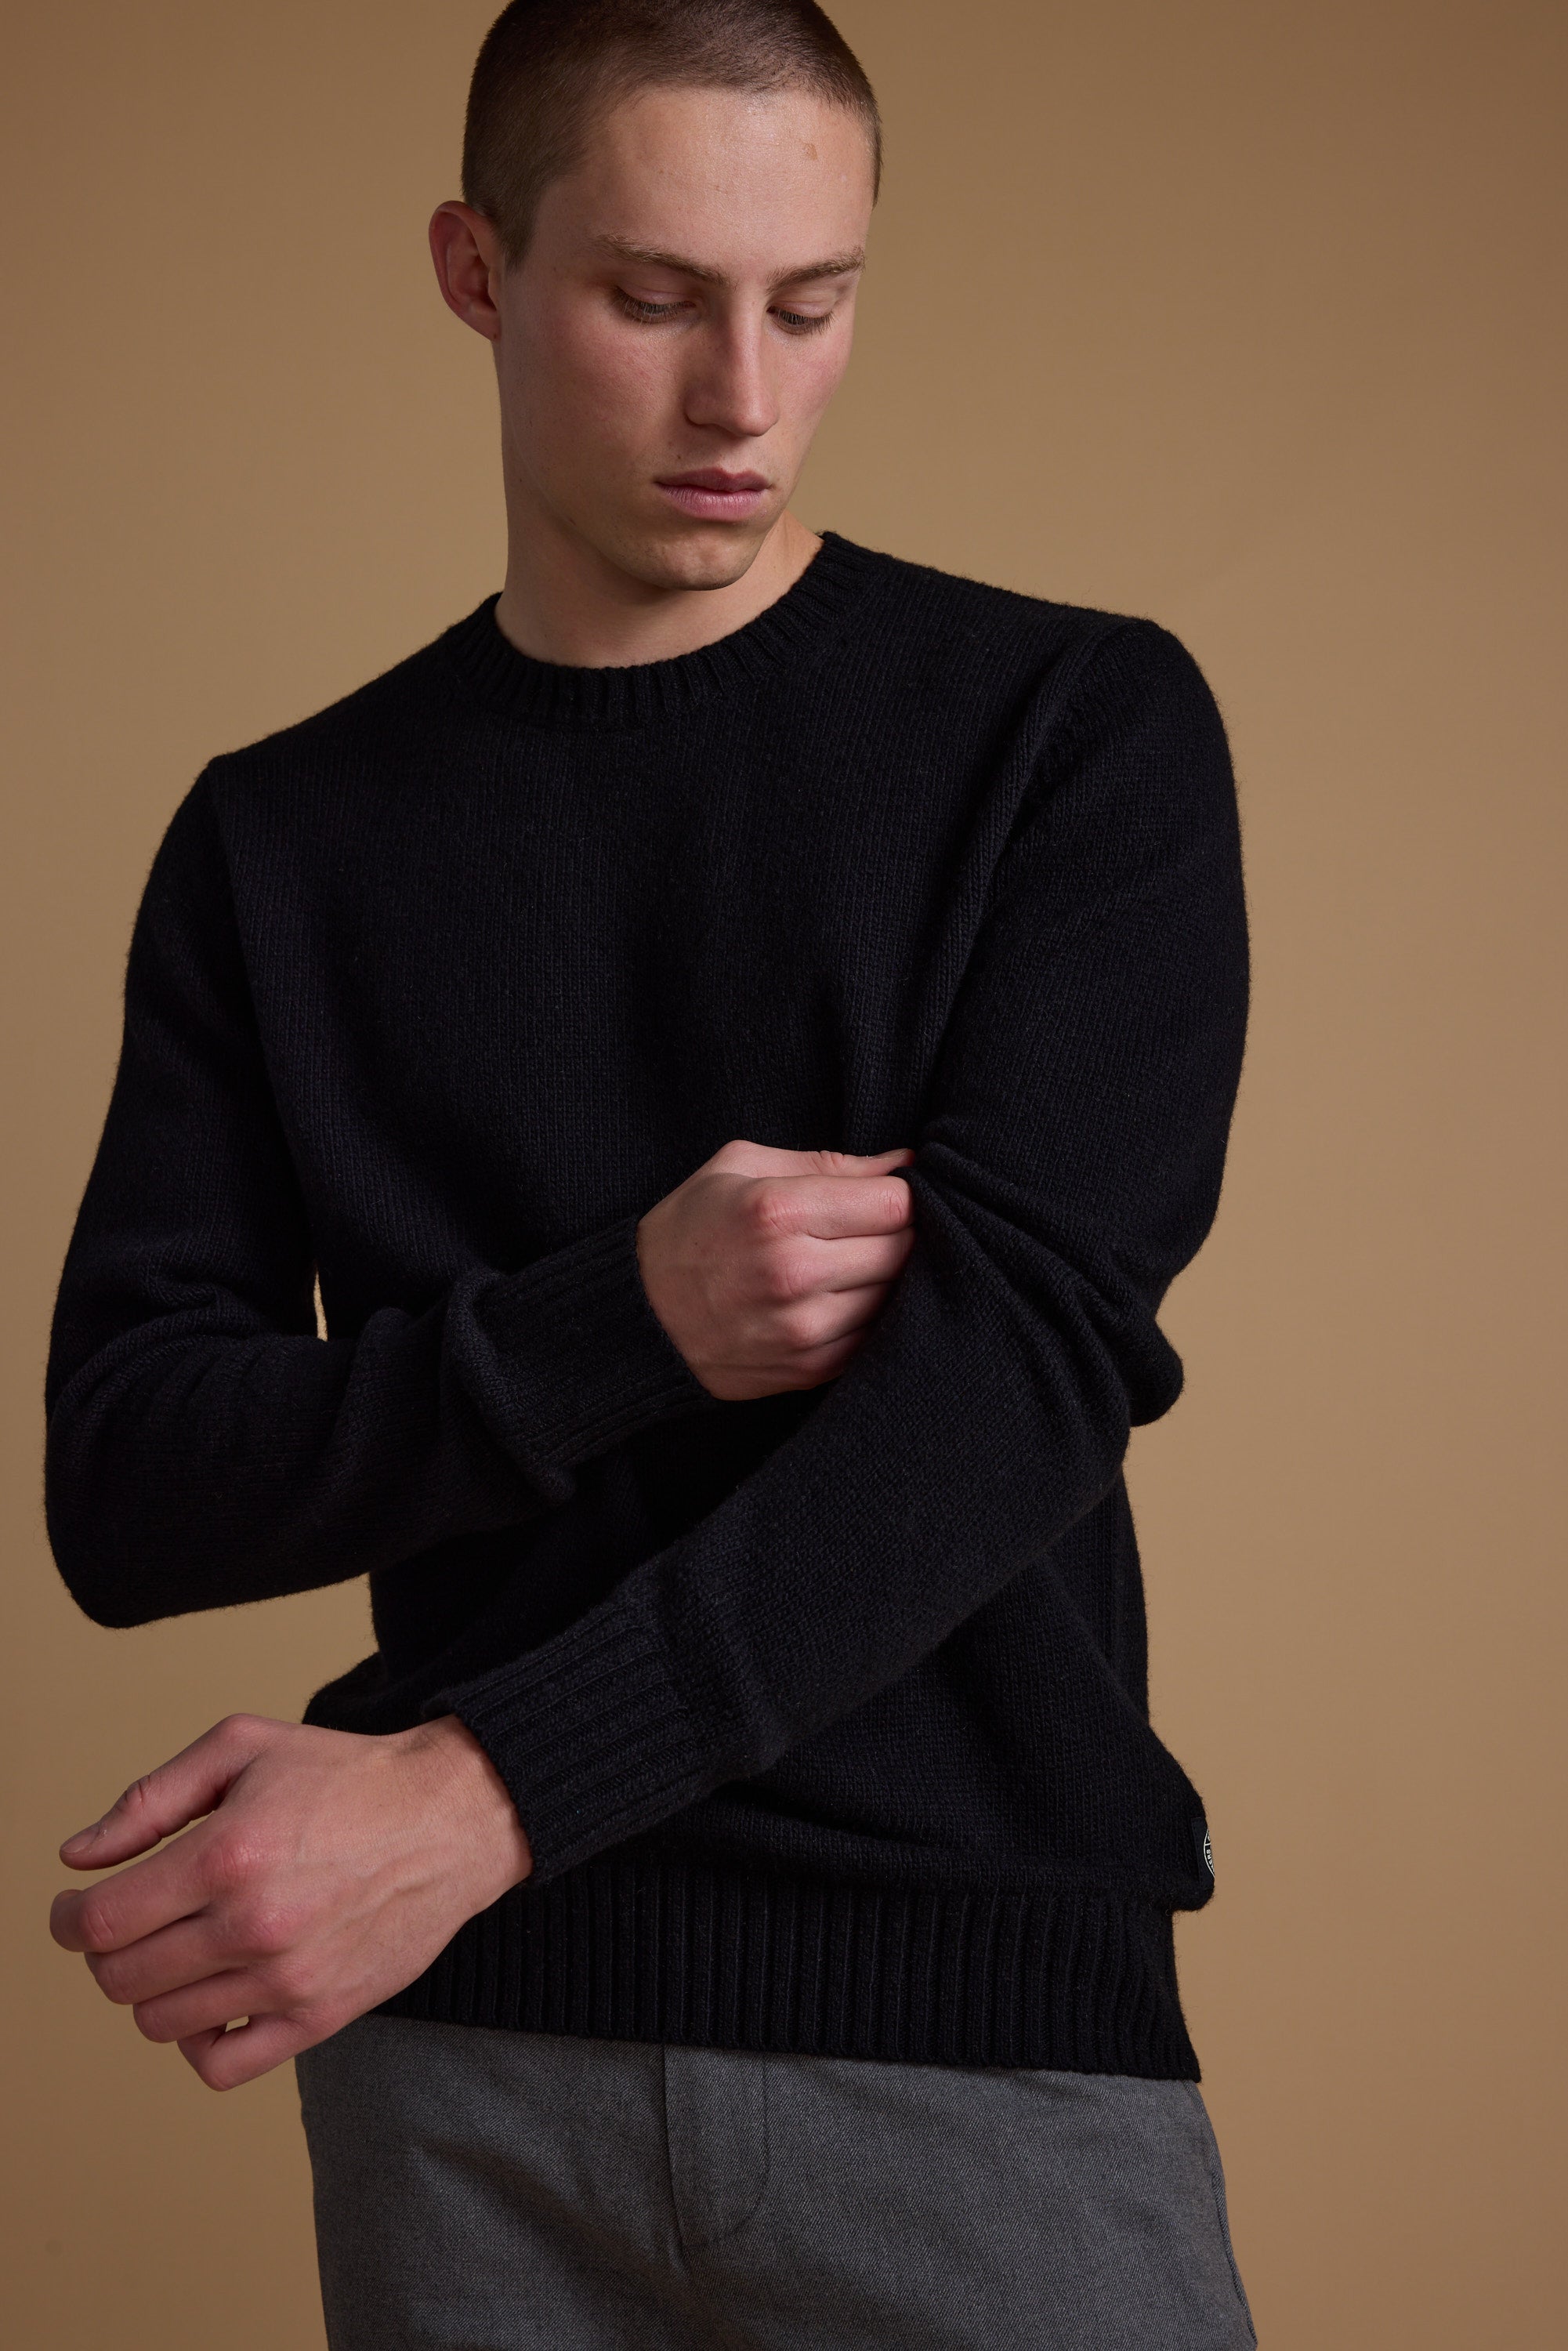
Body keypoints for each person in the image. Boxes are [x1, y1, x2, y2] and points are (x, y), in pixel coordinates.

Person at [43, 3, 1255, 2343]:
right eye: (655, 296)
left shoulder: (1070, 731)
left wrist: (473, 1796)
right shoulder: (280, 840)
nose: (742, 399)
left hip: (962, 2039)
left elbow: (1003, 1400)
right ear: (475, 270)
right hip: (460, 2080)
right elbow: (129, 1483)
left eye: (812, 304)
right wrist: (618, 1322)